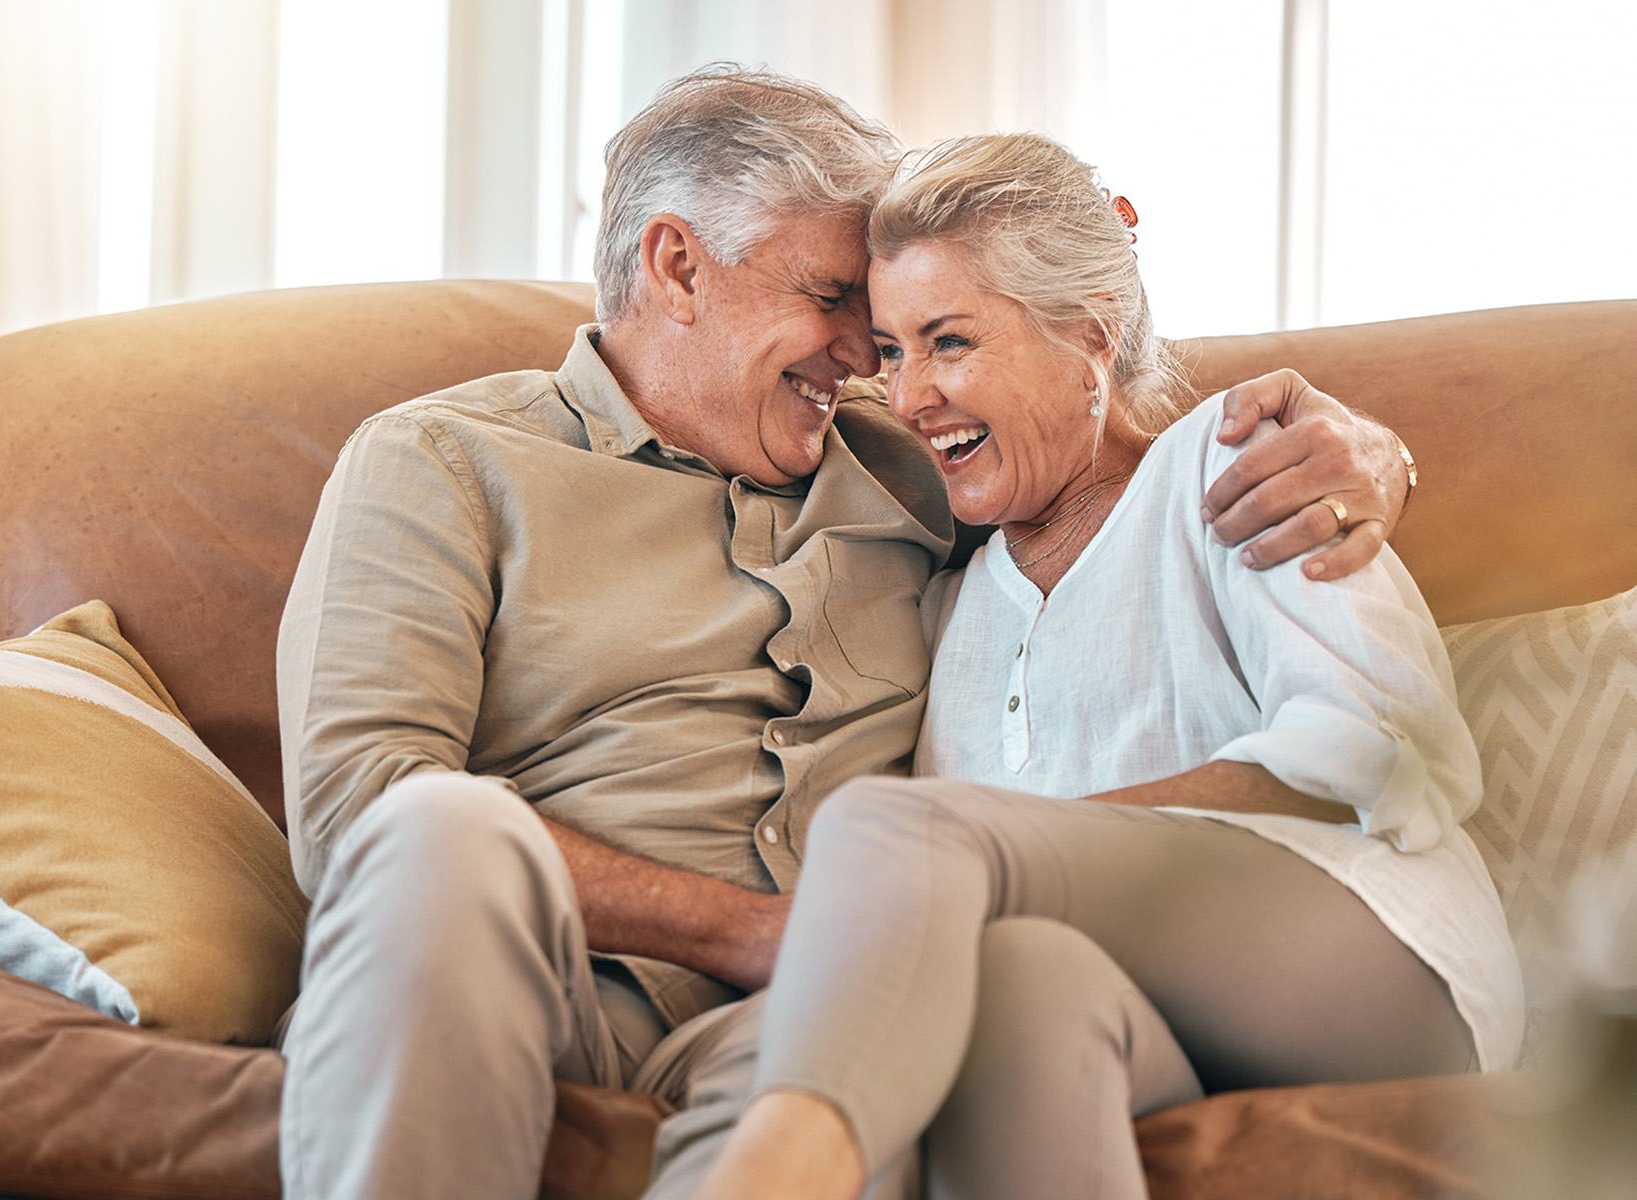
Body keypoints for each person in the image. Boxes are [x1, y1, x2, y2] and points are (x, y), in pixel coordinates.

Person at [273, 70, 1416, 1200]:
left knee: (904, 1039)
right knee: (439, 827)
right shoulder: (442, 460)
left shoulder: (916, 460)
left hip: (818, 1015)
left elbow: (1093, 453)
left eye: (885, 327)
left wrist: (1356, 450)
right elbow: (354, 805)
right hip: (529, 978)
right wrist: (745, 931)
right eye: (831, 298)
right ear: (677, 266)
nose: (871, 354)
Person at [684, 132, 1523, 1200]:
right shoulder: (951, 602)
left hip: (1378, 967)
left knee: (903, 832)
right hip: (1160, 1016)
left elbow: (1396, 751)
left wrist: (1031, 850)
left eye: (950, 342)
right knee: (1021, 981)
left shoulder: (1229, 468)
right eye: (890, 353)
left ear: (1089, 335)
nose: (909, 398)